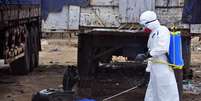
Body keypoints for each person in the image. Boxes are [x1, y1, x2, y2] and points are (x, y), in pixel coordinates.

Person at [135, 11, 179, 101]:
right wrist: (147, 73)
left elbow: (162, 48)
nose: (144, 27)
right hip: (155, 69)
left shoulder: (162, 30)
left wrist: (146, 55)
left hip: (163, 68)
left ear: (151, 23)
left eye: (145, 25)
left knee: (165, 94)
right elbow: (152, 54)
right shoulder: (152, 34)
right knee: (152, 94)